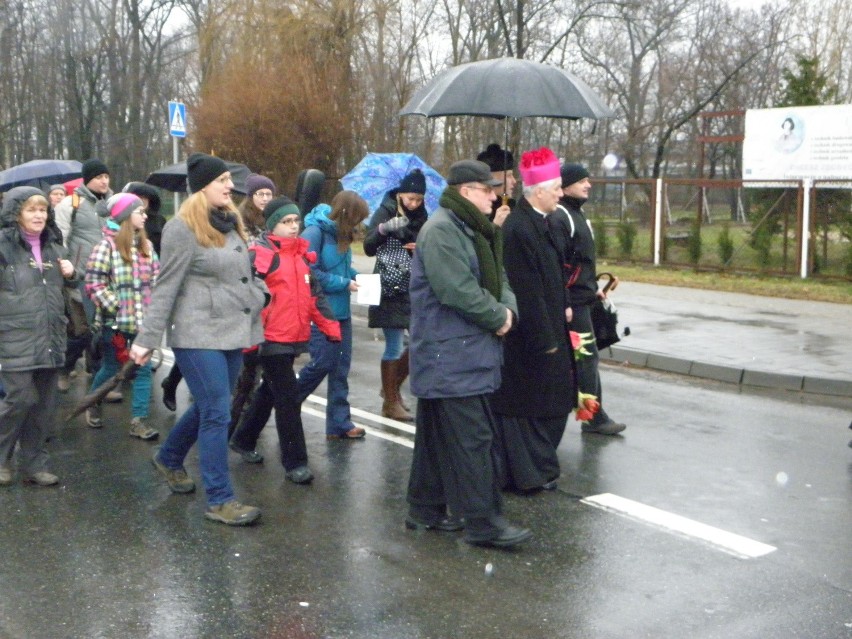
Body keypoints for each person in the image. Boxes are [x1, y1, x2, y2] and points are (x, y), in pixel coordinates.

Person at [129, 153, 267, 526]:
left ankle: (169, 458)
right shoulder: (181, 228)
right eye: (221, 180)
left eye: (228, 179)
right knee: (218, 412)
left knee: (210, 405)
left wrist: (260, 295)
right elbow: (166, 287)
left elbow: (244, 274)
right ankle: (221, 499)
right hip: (197, 333)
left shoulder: (231, 220)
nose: (229, 186)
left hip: (234, 331)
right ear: (202, 186)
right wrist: (147, 338)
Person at [405, 159, 531, 549]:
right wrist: (497, 317)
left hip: (457, 351)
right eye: (487, 189)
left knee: (436, 436)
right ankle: (483, 523)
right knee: (474, 439)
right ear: (465, 192)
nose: (494, 195)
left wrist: (507, 309)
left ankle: (425, 509)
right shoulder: (443, 230)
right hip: (451, 353)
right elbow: (456, 289)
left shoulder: (473, 230)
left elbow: (499, 276)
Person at [229, 197, 341, 484]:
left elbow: (315, 298)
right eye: (286, 222)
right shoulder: (262, 255)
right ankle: (295, 461)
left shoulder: (302, 257)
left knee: (271, 390)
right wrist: (249, 334)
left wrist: (331, 328)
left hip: (293, 337)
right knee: (288, 397)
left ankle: (243, 438)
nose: (293, 227)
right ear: (272, 226)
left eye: (295, 221)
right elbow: (245, 296)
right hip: (269, 339)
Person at [490, 147, 576, 492]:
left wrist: (566, 304)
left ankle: (539, 467)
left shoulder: (550, 222)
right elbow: (525, 289)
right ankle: (527, 474)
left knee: (553, 404)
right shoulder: (518, 228)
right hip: (532, 336)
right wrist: (545, 339)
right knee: (530, 408)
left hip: (553, 324)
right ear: (538, 191)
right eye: (556, 187)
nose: (560, 192)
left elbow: (558, 272)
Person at [0, 187, 75, 486]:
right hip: (14, 335)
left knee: (44, 404)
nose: (39, 215)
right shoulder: (3, 247)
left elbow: (66, 286)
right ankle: (2, 458)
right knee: (20, 398)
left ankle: (34, 463)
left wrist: (73, 273)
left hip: (51, 334)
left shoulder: (55, 247)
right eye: (31, 209)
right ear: (16, 213)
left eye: (43, 210)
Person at [551, 163, 626, 435]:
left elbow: (580, 262)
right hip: (572, 305)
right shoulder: (562, 217)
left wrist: (592, 287)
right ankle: (592, 418)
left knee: (587, 359)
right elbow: (559, 265)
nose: (588, 184)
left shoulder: (576, 214)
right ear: (566, 184)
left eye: (588, 179)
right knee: (585, 359)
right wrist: (568, 299)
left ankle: (592, 415)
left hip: (583, 300)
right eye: (582, 180)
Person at [83, 193, 159, 440]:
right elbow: (94, 282)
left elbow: (157, 280)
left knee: (143, 370)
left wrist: (155, 308)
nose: (145, 215)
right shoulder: (106, 247)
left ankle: (138, 420)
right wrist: (116, 305)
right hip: (115, 324)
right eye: (140, 212)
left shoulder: (147, 247)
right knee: (112, 367)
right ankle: (93, 402)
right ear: (126, 217)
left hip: (143, 323)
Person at [296, 191, 369, 440]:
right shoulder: (314, 233)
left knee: (340, 368)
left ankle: (339, 423)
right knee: (322, 363)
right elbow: (309, 272)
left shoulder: (342, 233)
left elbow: (344, 267)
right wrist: (343, 282)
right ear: (346, 213)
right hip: (320, 312)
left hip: (342, 312)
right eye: (357, 217)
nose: (359, 224)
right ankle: (287, 401)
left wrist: (360, 278)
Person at [363, 169, 429, 421]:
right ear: (400, 194)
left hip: (413, 286)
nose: (413, 204)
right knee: (393, 345)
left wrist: (418, 248)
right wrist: (383, 229)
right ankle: (390, 402)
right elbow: (369, 247)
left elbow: (427, 243)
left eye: (418, 200)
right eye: (410, 198)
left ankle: (391, 389)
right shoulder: (386, 210)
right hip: (390, 286)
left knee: (420, 342)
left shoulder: (423, 217)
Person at [54, 159, 112, 392]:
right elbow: (60, 239)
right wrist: (66, 271)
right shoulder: (72, 203)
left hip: (107, 278)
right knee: (83, 331)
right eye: (99, 177)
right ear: (88, 179)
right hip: (79, 278)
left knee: (104, 330)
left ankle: (100, 382)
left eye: (106, 177)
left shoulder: (111, 204)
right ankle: (65, 368)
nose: (104, 181)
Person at [228, 173, 278, 430]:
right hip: (246, 283)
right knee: (246, 355)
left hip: (265, 287)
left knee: (257, 354)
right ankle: (238, 404)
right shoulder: (241, 220)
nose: (265, 199)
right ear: (251, 196)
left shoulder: (273, 219)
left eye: (269, 194)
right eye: (261, 194)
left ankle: (246, 403)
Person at [476, 143, 516, 227]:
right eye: (509, 175)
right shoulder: (476, 212)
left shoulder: (516, 210)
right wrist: (496, 225)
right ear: (493, 178)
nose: (514, 181)